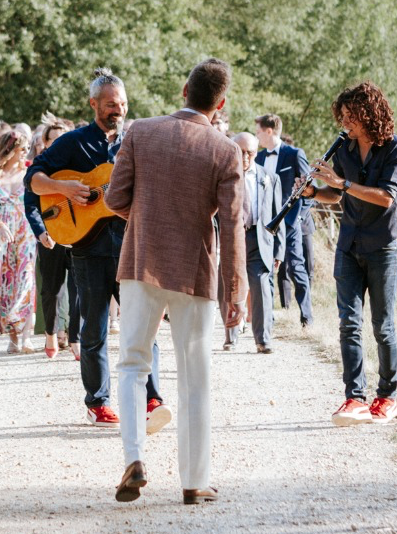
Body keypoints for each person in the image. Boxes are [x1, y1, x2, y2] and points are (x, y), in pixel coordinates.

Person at [106, 58, 245, 506]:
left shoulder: (140, 132)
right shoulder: (226, 150)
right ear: (220, 104)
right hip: (194, 270)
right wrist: (234, 290)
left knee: (131, 364)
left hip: (141, 262)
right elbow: (232, 226)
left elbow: (113, 198)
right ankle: (193, 481)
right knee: (195, 376)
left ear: (184, 90)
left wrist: (146, 220)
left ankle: (134, 457)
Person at [27, 68, 170, 430]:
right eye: (110, 104)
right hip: (88, 250)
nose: (117, 109)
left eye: (121, 103)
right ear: (93, 104)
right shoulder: (72, 143)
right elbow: (34, 179)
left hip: (131, 247)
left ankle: (152, 398)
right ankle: (98, 402)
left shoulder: (137, 140)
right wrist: (69, 188)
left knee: (144, 326)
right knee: (94, 330)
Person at [299, 82, 397, 426]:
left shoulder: (394, 148)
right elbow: (336, 195)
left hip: (383, 247)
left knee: (382, 326)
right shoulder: (344, 147)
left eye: (350, 115)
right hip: (349, 245)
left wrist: (343, 184)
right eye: (342, 116)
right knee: (348, 323)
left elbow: (386, 197)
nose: (344, 122)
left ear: (368, 114)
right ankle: (354, 398)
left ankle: (387, 397)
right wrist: (314, 191)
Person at [255, 114, 315, 330]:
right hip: (265, 224)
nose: (257, 136)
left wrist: (297, 217)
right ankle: (267, 318)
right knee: (266, 269)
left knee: (296, 268)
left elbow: (310, 189)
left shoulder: (294, 154)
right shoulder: (258, 157)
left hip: (290, 223)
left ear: (269, 131)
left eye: (258, 132)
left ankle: (307, 317)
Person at [26, 116, 79, 359]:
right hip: (51, 236)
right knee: (51, 289)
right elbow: (31, 206)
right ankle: (50, 332)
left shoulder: (80, 166)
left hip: (79, 234)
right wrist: (41, 232)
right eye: (55, 140)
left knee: (78, 288)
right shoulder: (39, 170)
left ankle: (74, 336)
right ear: (46, 143)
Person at [0, 130, 38, 353]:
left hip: (25, 233)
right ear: (11, 150)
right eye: (22, 148)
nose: (26, 152)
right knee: (4, 282)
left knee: (26, 279)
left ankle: (26, 337)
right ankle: (12, 337)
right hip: (2, 235)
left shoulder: (30, 173)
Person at [227, 132, 284, 354]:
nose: (244, 157)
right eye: (239, 152)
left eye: (249, 152)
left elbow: (277, 216)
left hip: (259, 239)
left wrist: (279, 250)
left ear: (256, 152)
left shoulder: (270, 177)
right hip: (233, 238)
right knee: (231, 287)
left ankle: (263, 339)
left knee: (261, 287)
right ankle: (230, 337)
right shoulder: (224, 175)